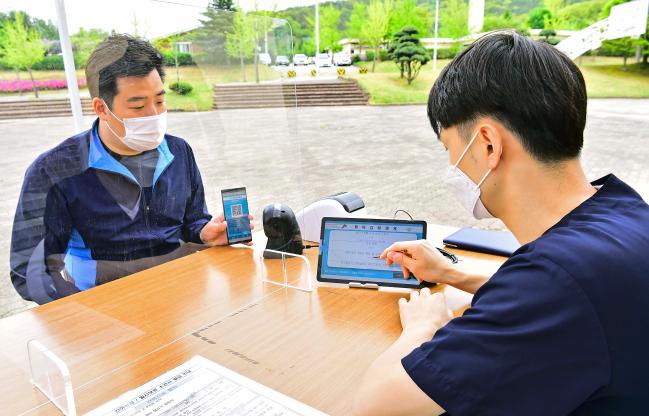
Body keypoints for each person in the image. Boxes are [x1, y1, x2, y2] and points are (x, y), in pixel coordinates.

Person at [353, 31, 649, 415]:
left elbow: (375, 406)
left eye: (450, 149)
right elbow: (576, 295)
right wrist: (452, 272)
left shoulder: (554, 279)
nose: (451, 166)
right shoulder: (622, 211)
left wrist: (421, 327)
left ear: (488, 145)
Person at [10, 34, 251, 304]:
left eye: (160, 102)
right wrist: (79, 312)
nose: (154, 115)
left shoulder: (179, 152)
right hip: (106, 303)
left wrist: (203, 233)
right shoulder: (53, 171)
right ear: (101, 108)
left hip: (182, 294)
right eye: (138, 106)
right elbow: (29, 271)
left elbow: (192, 222)